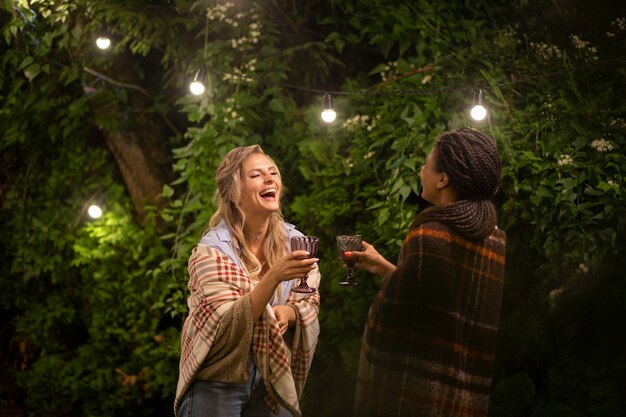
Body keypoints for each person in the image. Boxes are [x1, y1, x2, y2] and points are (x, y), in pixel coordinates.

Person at [346, 128, 506, 417]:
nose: (421, 170)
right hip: (466, 388)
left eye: (426, 164)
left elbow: (400, 315)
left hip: (417, 390)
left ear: (442, 179)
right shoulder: (495, 238)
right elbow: (446, 306)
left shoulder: (428, 233)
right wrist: (383, 266)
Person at [174, 145, 321, 417]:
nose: (269, 179)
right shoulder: (213, 250)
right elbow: (228, 323)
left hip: (272, 375)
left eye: (273, 173)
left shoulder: (295, 242)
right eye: (256, 175)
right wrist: (275, 276)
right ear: (234, 191)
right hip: (219, 377)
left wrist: (288, 312)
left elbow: (309, 298)